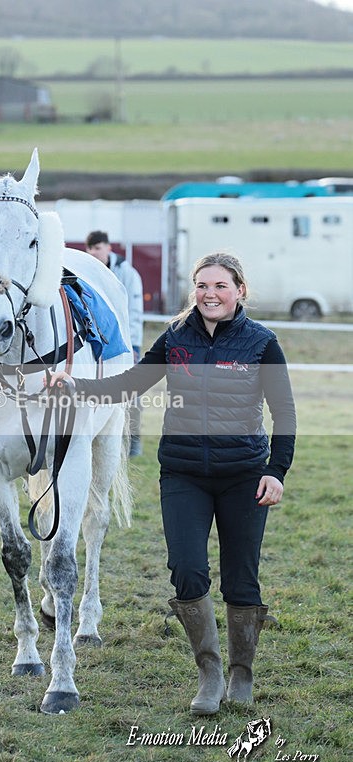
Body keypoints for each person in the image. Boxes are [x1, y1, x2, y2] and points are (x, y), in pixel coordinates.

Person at [49, 252, 296, 715]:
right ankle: (210, 672)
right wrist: (78, 387)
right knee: (186, 570)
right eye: (203, 286)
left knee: (241, 578)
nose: (210, 294)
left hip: (244, 475)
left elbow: (284, 412)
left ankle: (242, 673)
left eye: (221, 286)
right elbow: (130, 384)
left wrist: (275, 471)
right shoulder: (177, 337)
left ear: (240, 290)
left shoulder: (262, 343)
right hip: (183, 473)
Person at [85, 230, 144, 456]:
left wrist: (135, 345)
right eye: (90, 248)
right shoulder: (87, 272)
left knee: (133, 391)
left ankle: (134, 440)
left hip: (126, 341)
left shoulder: (128, 274)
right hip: (97, 341)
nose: (94, 252)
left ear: (109, 248)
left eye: (98, 247)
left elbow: (135, 312)